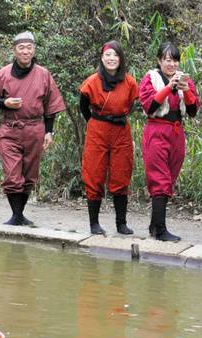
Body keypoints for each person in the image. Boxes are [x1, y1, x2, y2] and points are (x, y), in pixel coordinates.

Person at [0, 32, 66, 226]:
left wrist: (49, 131)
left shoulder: (43, 74)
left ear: (34, 49)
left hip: (35, 129)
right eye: (21, 47)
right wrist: (5, 103)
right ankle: (16, 215)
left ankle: (19, 215)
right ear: (14, 50)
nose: (25, 51)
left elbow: (51, 106)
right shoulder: (3, 74)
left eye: (29, 47)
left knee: (29, 176)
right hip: (10, 129)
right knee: (12, 175)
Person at [138, 42, 201, 241]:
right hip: (157, 130)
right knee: (160, 179)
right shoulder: (151, 78)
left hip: (176, 132)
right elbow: (149, 105)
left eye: (174, 60)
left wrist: (186, 90)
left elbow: (192, 111)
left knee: (170, 178)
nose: (171, 64)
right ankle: (161, 230)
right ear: (159, 61)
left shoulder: (184, 80)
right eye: (167, 60)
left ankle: (154, 226)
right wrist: (168, 88)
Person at [79, 40, 138, 235]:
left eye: (115, 55)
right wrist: (96, 121)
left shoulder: (129, 82)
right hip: (98, 129)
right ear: (102, 58)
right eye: (108, 55)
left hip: (121, 130)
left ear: (121, 58)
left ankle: (121, 224)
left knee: (121, 174)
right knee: (94, 173)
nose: (112, 59)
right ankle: (93, 223)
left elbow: (131, 105)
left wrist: (116, 118)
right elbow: (83, 105)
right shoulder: (92, 81)